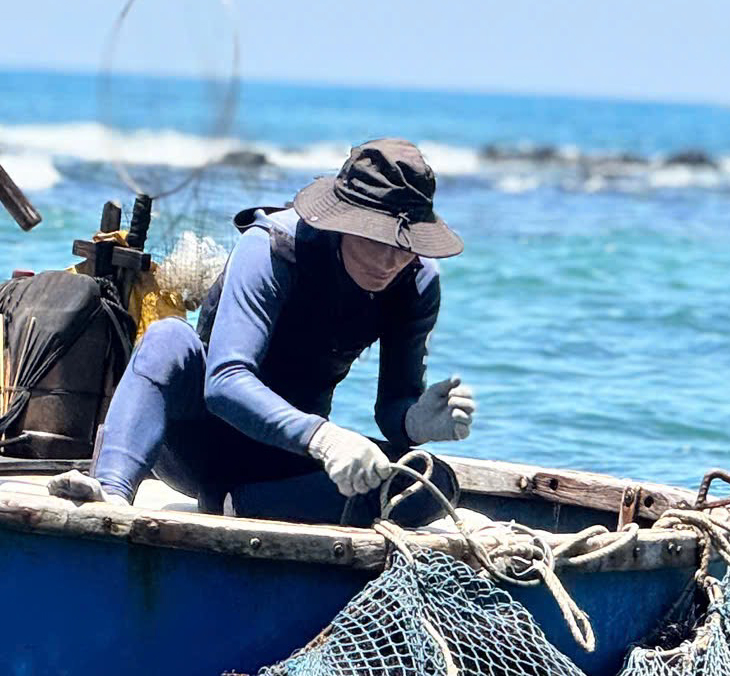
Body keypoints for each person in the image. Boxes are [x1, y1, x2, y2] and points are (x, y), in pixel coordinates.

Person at [51, 138, 477, 524]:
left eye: (403, 246)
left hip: (286, 460)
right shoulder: (272, 248)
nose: (389, 261)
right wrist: (324, 438)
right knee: (167, 338)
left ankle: (247, 504)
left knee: (430, 482)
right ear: (342, 222)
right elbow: (225, 383)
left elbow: (392, 411)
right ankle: (111, 492)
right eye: (375, 241)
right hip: (201, 443)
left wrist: (415, 422)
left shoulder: (417, 282)